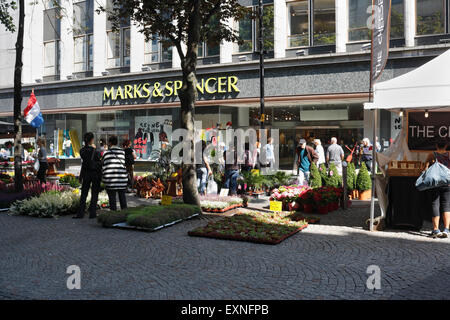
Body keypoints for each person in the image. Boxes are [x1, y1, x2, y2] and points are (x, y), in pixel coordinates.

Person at [73, 132, 102, 219]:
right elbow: (99, 162)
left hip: (86, 174)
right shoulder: (95, 151)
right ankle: (92, 213)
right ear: (92, 140)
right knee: (94, 193)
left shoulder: (82, 151)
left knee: (84, 193)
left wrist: (81, 176)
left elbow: (84, 163)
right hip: (95, 174)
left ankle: (80, 213)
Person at [425, 139, 450, 238]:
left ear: (436, 146)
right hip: (447, 183)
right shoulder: (449, 155)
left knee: (435, 204)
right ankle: (447, 229)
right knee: (446, 205)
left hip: (435, 184)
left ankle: (436, 229)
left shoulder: (432, 155)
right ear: (446, 146)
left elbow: (425, 168)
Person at [102, 136, 128, 211]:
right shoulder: (122, 152)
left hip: (110, 180)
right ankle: (124, 215)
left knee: (112, 200)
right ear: (117, 142)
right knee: (122, 198)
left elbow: (104, 165)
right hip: (122, 179)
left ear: (110, 143)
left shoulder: (106, 153)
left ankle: (113, 216)